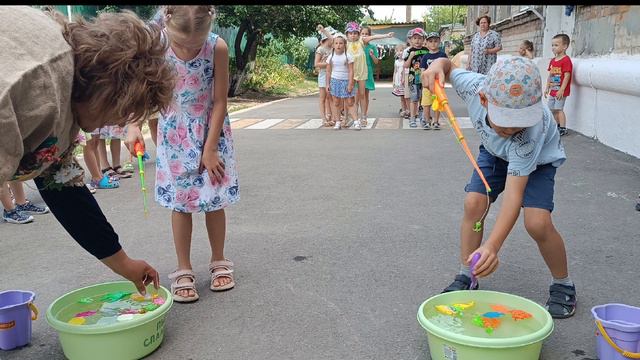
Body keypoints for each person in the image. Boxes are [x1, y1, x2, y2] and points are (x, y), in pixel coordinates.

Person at [0, 6, 176, 294]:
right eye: (123, 113)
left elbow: (63, 187)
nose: (118, 123)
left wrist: (124, 263)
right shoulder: (35, 90)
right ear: (110, 91)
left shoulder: (67, 90)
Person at [422, 56, 577, 319]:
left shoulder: (527, 135)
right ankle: (467, 274)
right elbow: (448, 66)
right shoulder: (472, 86)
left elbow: (514, 196)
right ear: (484, 100)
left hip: (538, 161)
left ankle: (563, 283)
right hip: (494, 154)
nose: (512, 128)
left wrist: (492, 246)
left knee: (537, 223)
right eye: (504, 120)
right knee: (473, 203)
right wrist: (437, 66)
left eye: (520, 120)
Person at [127, 5, 240, 303]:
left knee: (214, 198)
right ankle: (184, 268)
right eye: (181, 42)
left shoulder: (217, 46)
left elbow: (219, 101)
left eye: (195, 43)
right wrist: (134, 126)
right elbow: (144, 91)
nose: (189, 48)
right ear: (166, 21)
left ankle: (219, 260)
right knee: (181, 203)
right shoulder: (156, 47)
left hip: (210, 130)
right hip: (173, 134)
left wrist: (211, 148)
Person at [344, 21, 393, 129]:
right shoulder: (345, 44)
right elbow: (334, 39)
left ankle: (364, 117)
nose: (353, 35)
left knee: (362, 95)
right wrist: (323, 31)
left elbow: (374, 37)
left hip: (363, 73)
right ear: (347, 34)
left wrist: (386, 35)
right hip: (351, 74)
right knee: (351, 97)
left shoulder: (361, 41)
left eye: (356, 33)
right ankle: (350, 117)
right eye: (351, 33)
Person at [325, 33, 358, 130]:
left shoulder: (348, 56)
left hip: (346, 81)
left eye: (341, 43)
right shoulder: (331, 56)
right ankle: (338, 122)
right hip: (335, 81)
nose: (338, 45)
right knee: (336, 102)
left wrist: (350, 83)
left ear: (344, 45)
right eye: (336, 43)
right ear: (333, 45)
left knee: (350, 102)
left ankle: (356, 121)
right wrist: (327, 84)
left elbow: (351, 70)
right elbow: (328, 71)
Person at [545, 34, 573, 137]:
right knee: (552, 109)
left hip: (560, 91)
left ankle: (563, 128)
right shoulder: (553, 61)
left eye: (556, 45)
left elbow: (567, 76)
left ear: (564, 46)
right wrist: (547, 87)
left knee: (559, 109)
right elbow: (550, 75)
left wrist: (562, 89)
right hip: (553, 90)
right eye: (552, 45)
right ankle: (556, 126)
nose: (553, 47)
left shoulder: (566, 60)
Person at [419, 32, 448, 130]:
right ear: (426, 43)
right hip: (427, 85)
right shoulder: (425, 57)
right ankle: (427, 121)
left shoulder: (442, 55)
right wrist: (423, 83)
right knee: (426, 104)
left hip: (438, 84)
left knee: (438, 103)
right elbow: (422, 71)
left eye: (435, 41)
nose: (433, 44)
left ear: (439, 42)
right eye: (430, 41)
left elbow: (445, 68)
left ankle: (436, 121)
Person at [403, 27, 428, 128]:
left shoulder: (426, 50)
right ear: (411, 40)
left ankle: (423, 118)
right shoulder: (409, 51)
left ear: (423, 40)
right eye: (415, 38)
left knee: (423, 99)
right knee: (414, 99)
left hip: (425, 78)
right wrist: (410, 56)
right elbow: (405, 65)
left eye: (419, 38)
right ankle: (412, 118)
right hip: (413, 78)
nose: (417, 40)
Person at [315, 25, 335, 127]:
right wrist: (328, 63)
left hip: (333, 75)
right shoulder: (321, 49)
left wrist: (324, 30)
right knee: (323, 98)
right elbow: (316, 64)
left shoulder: (333, 49)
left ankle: (331, 117)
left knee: (330, 97)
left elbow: (333, 39)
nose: (333, 39)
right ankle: (324, 119)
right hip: (323, 76)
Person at [360, 26, 380, 125]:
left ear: (370, 36)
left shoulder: (372, 47)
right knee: (357, 95)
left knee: (365, 94)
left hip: (368, 71)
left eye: (366, 34)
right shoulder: (357, 46)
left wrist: (372, 55)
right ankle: (355, 114)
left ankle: (364, 114)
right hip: (357, 72)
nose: (364, 36)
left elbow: (376, 62)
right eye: (362, 34)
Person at [392, 44, 409, 118]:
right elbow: (395, 71)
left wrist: (405, 79)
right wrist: (393, 81)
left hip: (405, 81)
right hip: (398, 81)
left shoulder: (406, 61)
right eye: (397, 51)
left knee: (406, 97)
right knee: (401, 97)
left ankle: (408, 110)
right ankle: (404, 110)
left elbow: (406, 70)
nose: (399, 52)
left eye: (401, 50)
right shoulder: (396, 62)